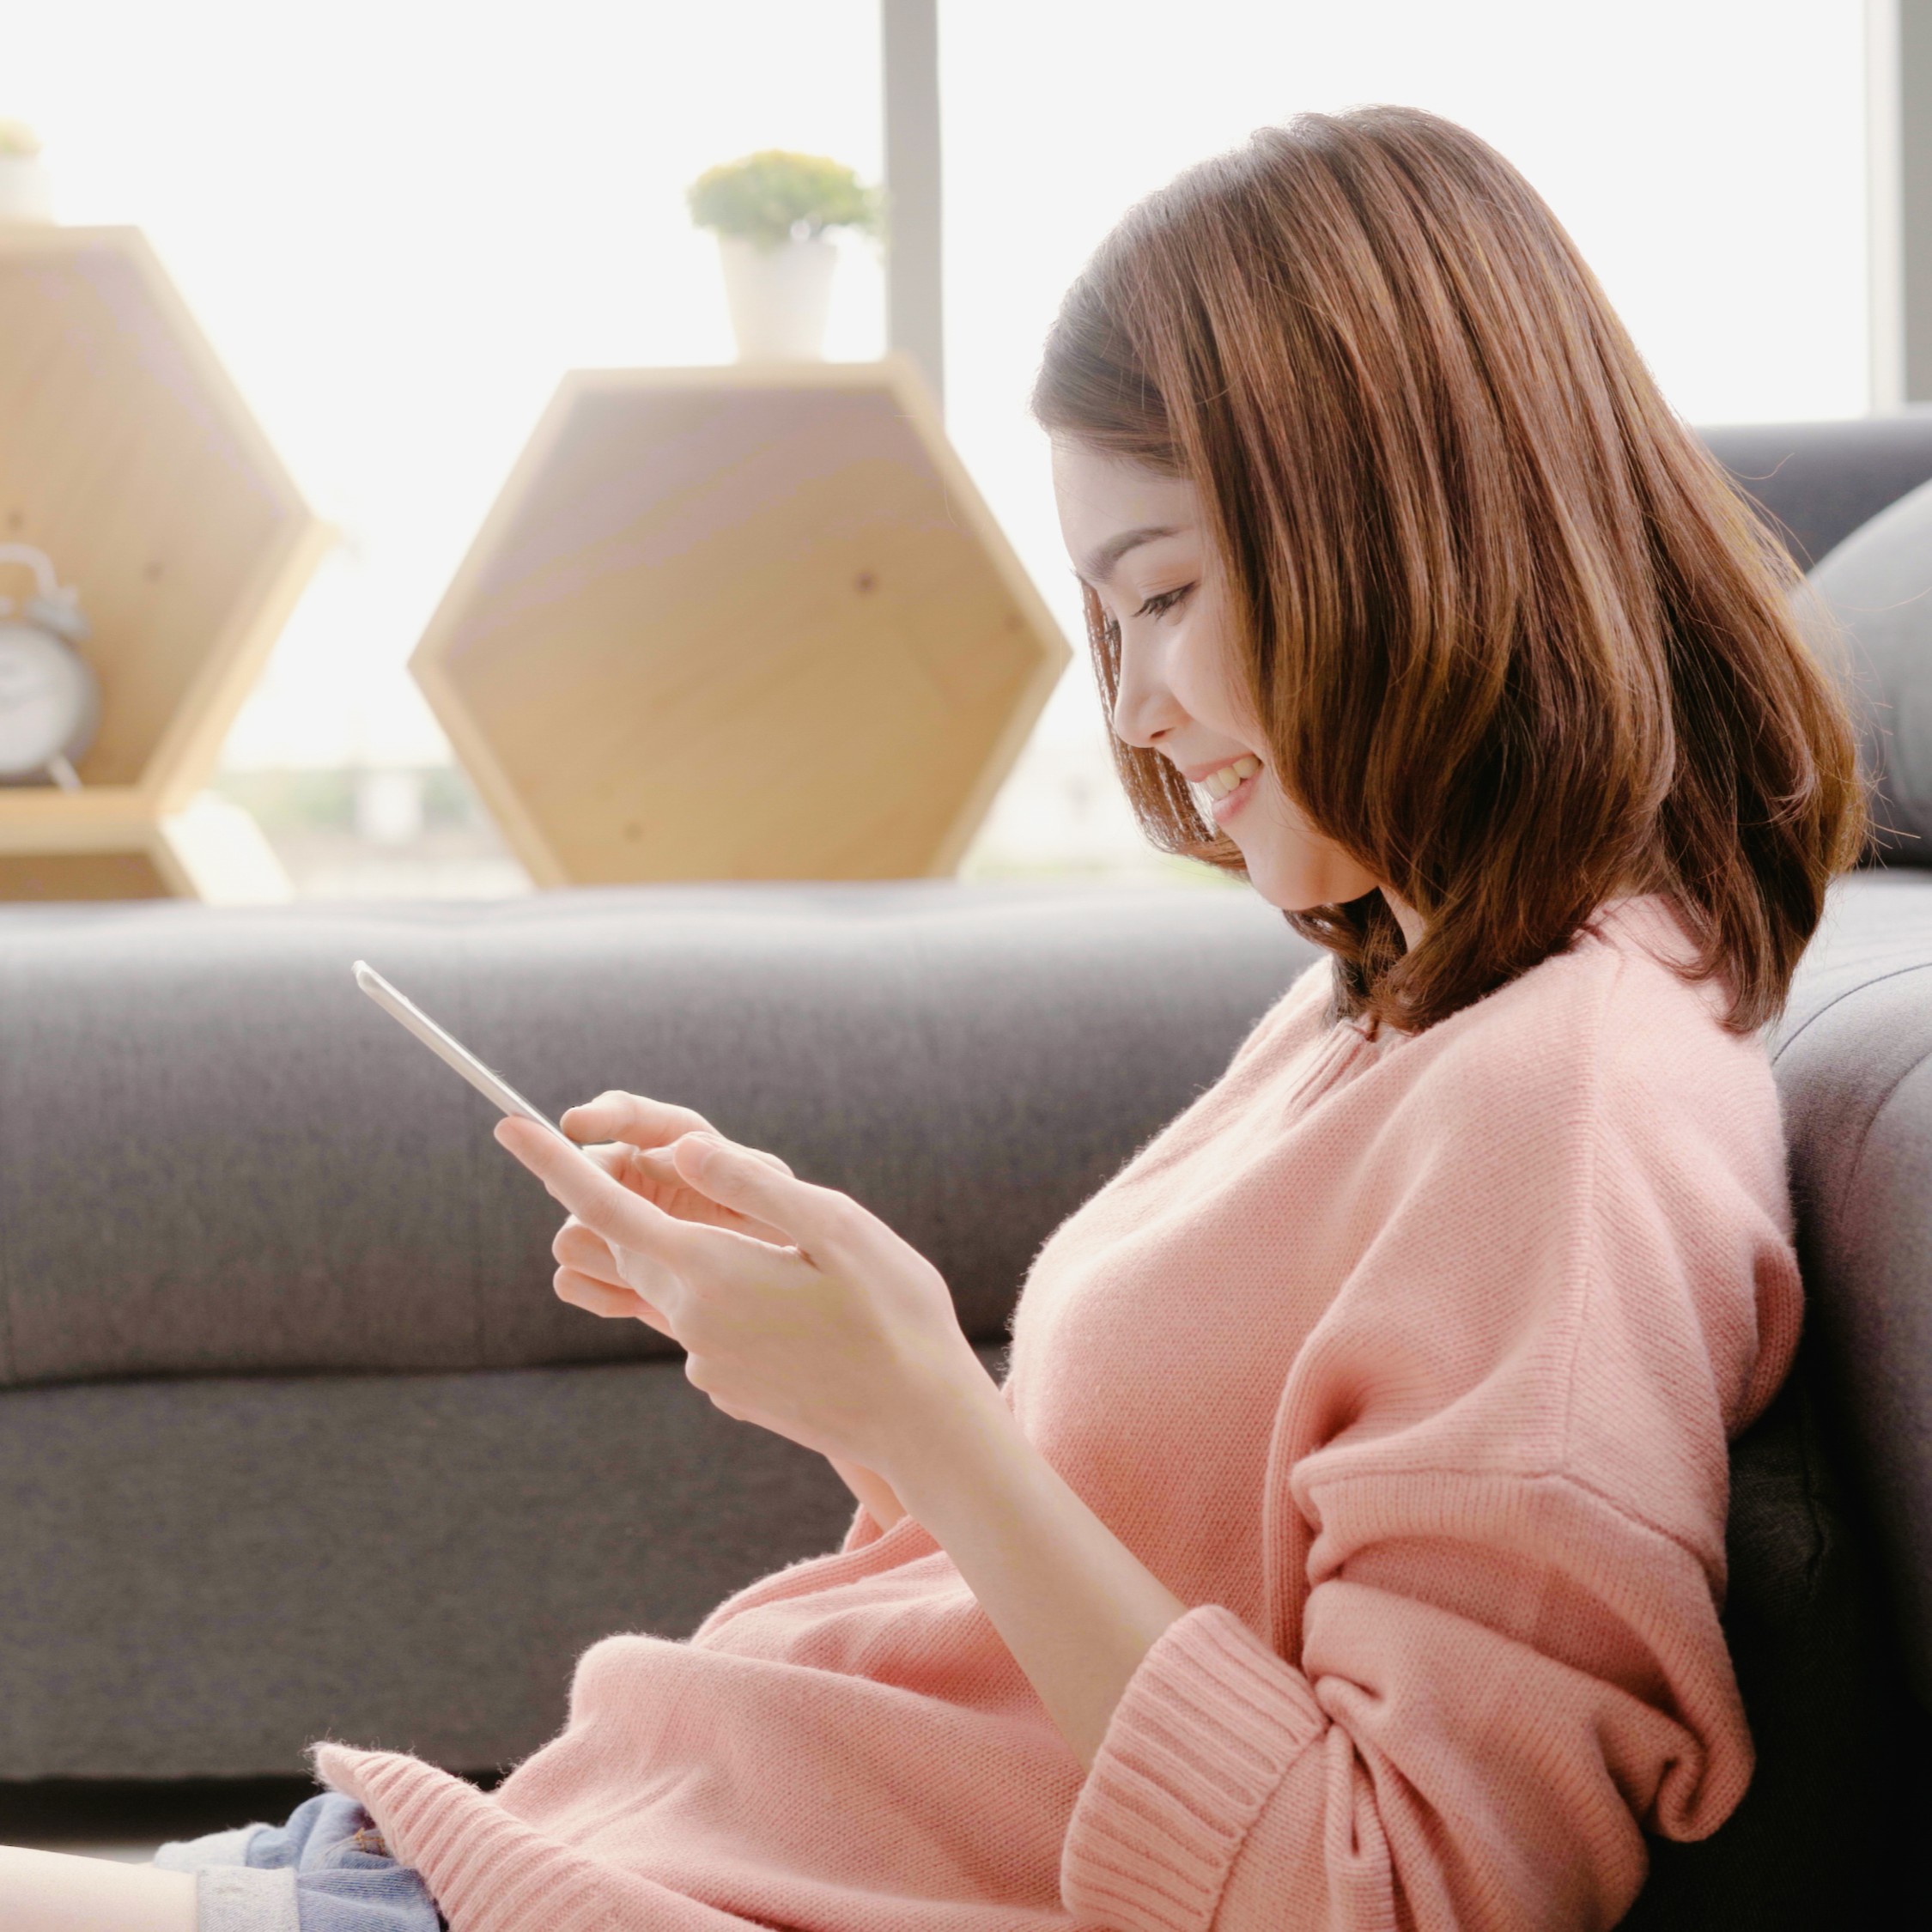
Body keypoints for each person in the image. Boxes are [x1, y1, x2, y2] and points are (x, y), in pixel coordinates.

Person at [0, 104, 1865, 1932]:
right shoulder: (1398, 999)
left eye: (1167, 593)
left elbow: (1394, 1894)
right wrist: (885, 1389)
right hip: (574, 1838)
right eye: (1103, 620)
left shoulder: (1573, 1111)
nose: (1134, 710)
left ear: (1402, 534)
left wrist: (925, 1416)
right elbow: (1152, 1593)